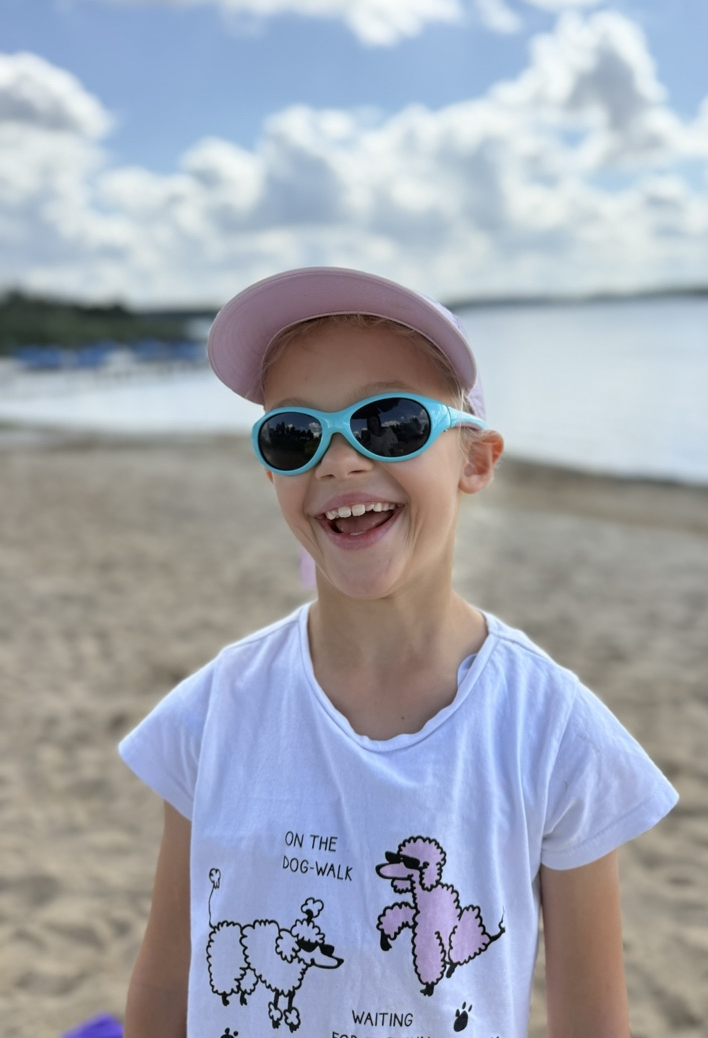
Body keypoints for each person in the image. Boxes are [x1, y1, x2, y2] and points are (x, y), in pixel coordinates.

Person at [120, 266, 677, 1038]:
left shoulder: (554, 731)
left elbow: (591, 1019)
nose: (340, 460)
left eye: (389, 422)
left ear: (475, 460)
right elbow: (166, 981)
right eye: (295, 433)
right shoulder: (211, 715)